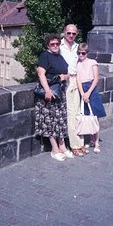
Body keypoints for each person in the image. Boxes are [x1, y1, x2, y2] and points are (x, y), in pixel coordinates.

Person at [34, 33, 74, 161]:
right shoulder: (45, 56)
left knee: (60, 120)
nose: (55, 46)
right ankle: (54, 149)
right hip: (50, 93)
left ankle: (62, 146)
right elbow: (41, 74)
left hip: (60, 93)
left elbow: (67, 73)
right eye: (52, 44)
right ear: (48, 45)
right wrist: (47, 91)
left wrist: (65, 76)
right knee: (50, 121)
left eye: (57, 43)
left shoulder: (59, 57)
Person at [76, 43, 106, 154]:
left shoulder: (92, 62)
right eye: (79, 53)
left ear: (87, 53)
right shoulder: (77, 64)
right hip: (83, 90)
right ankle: (90, 140)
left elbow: (96, 79)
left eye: (83, 53)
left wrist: (88, 93)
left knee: (95, 117)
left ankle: (96, 141)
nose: (80, 55)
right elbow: (78, 80)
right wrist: (82, 93)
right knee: (87, 116)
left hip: (91, 90)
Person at [60, 24, 85, 157]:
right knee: (70, 114)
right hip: (66, 81)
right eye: (69, 33)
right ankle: (74, 145)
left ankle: (80, 143)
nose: (71, 36)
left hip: (77, 80)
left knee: (77, 113)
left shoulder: (77, 47)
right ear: (64, 32)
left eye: (73, 34)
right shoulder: (58, 46)